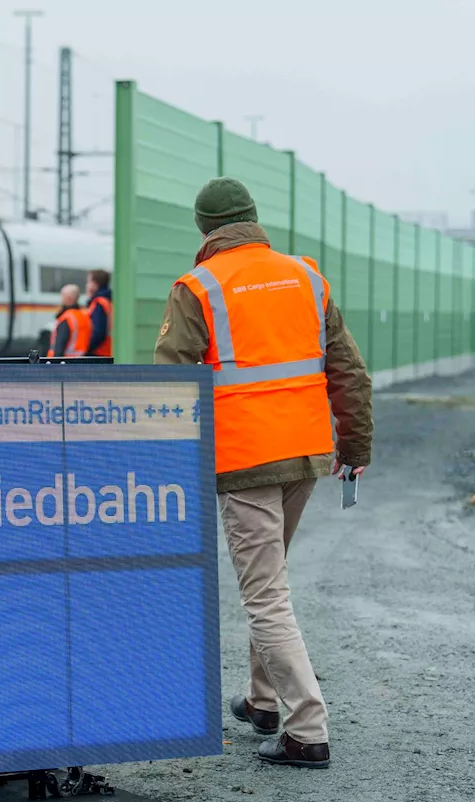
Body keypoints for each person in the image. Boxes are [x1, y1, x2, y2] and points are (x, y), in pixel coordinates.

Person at [154, 176, 373, 769]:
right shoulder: (306, 276)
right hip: (304, 453)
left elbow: (171, 388)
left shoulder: (197, 286)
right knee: (272, 579)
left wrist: (170, 473)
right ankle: (262, 702)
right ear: (253, 218)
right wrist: (353, 446)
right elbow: (349, 371)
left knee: (265, 594)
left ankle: (307, 729)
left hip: (245, 458)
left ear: (204, 228)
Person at [49, 284, 91, 358]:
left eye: (62, 296)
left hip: (65, 363)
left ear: (68, 298)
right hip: (81, 361)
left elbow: (59, 347)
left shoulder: (67, 318)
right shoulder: (85, 316)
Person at [84, 269, 113, 357]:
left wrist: (86, 349)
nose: (87, 285)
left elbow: (98, 333)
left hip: (98, 353)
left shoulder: (99, 303)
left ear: (96, 284)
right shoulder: (107, 301)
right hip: (106, 352)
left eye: (89, 282)